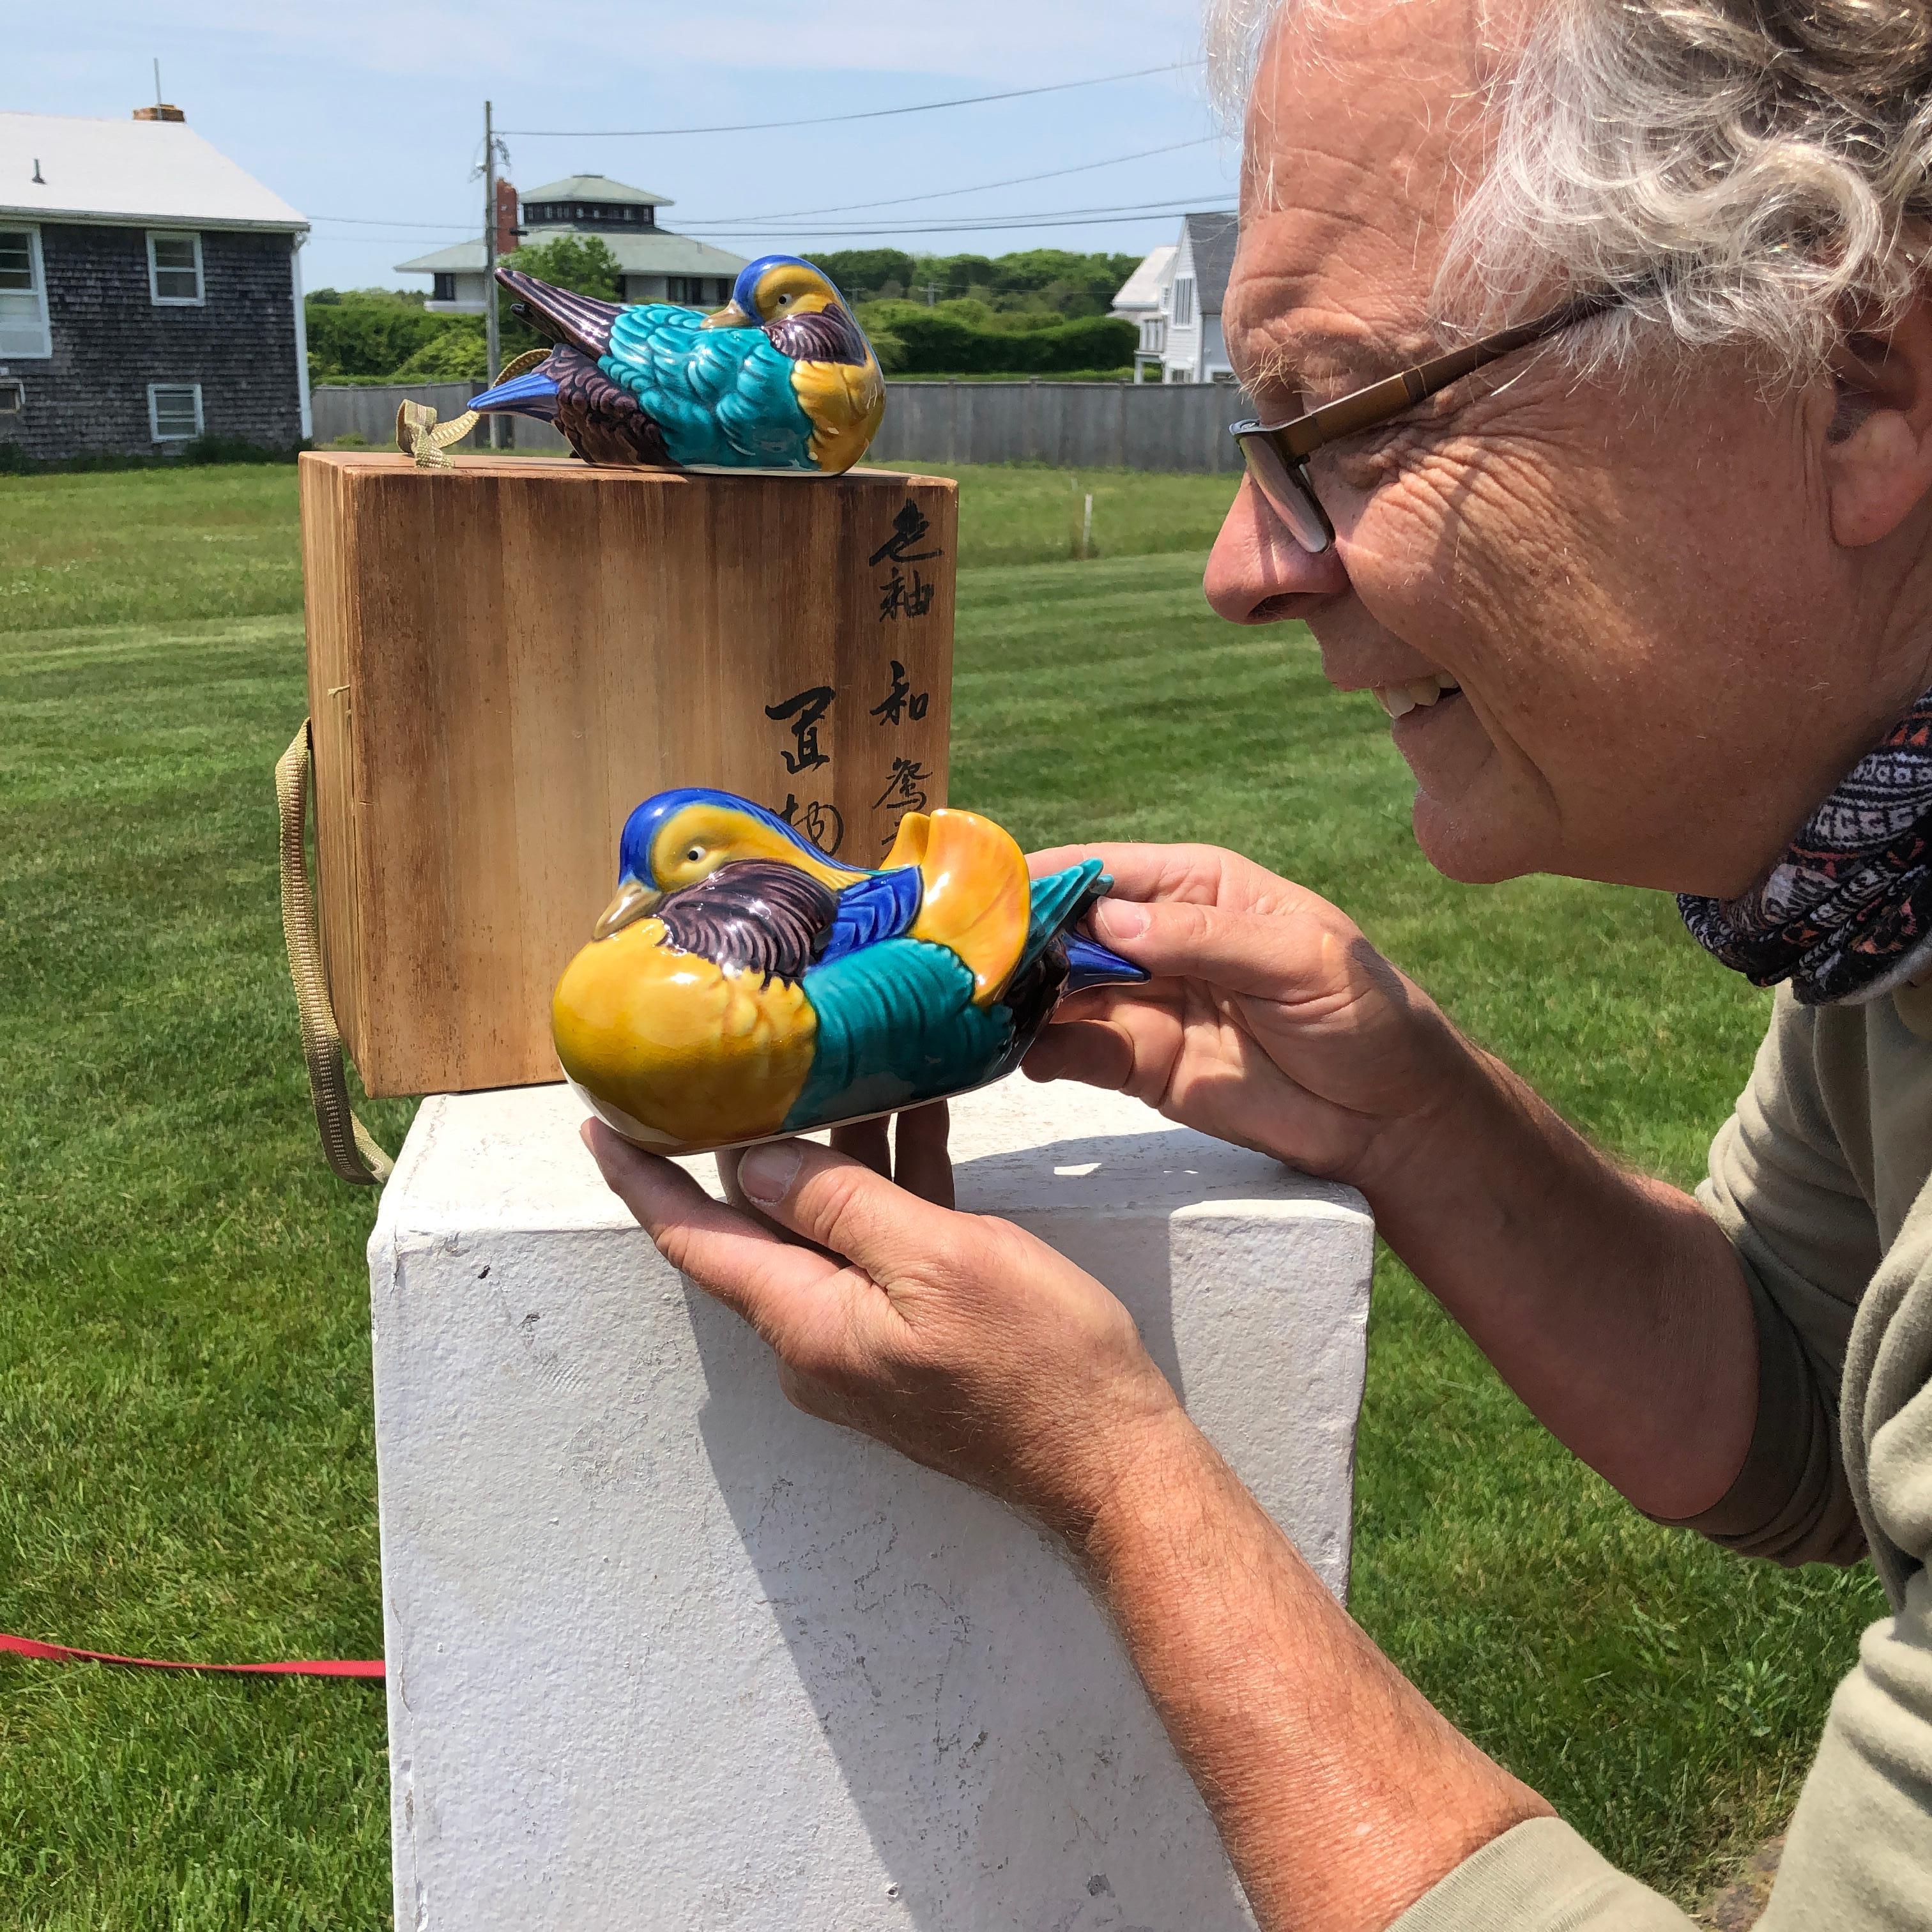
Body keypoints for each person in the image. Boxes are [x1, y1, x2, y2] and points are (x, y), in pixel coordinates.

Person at [585, 0, 1932, 1924]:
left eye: (1358, 423)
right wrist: (1416, 1117)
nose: (1244, 564)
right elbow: (1819, 1405)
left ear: (1859, 377)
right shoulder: (1880, 894)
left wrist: (1118, 1480)